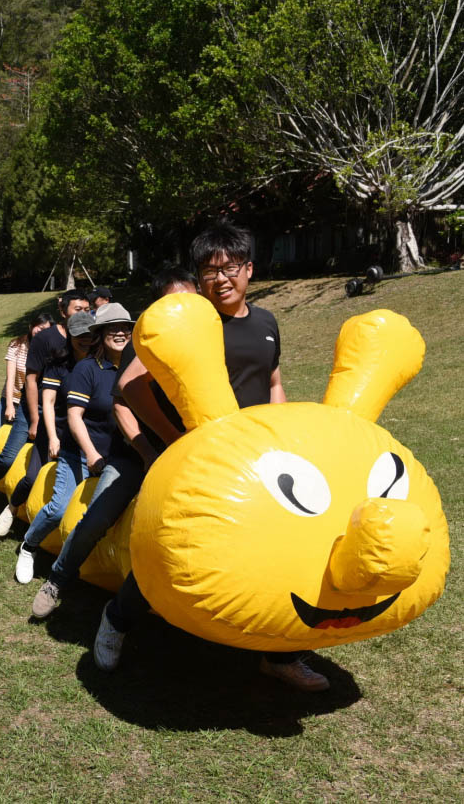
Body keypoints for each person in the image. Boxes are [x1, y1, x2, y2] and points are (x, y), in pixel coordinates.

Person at [92, 223, 329, 692]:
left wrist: (279, 435)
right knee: (169, 547)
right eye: (209, 270)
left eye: (230, 267)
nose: (221, 278)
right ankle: (116, 619)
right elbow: (131, 385)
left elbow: (274, 381)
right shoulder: (189, 322)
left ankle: (279, 654)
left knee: (279, 546)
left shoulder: (265, 323)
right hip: (205, 460)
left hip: (260, 460)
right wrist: (178, 437)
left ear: (249, 269)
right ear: (199, 278)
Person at [27, 303, 146, 616]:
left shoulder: (147, 366)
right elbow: (74, 416)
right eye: (112, 328)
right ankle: (56, 579)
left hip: (148, 453)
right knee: (93, 520)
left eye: (125, 327)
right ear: (100, 335)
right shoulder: (87, 370)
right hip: (113, 457)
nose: (120, 333)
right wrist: (91, 454)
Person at [0, 289, 90, 525]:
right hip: (34, 407)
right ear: (62, 310)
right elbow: (31, 380)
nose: (83, 314)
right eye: (78, 309)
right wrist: (34, 419)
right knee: (8, 458)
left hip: (67, 411)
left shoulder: (90, 336)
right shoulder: (46, 339)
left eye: (87, 310)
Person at [0, 312, 53, 462]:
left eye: (46, 330)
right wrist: (9, 405)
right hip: (11, 398)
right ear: (31, 327)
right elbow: (10, 378)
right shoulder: (17, 345)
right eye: (39, 328)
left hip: (32, 404)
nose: (41, 332)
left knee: (24, 444)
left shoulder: (49, 350)